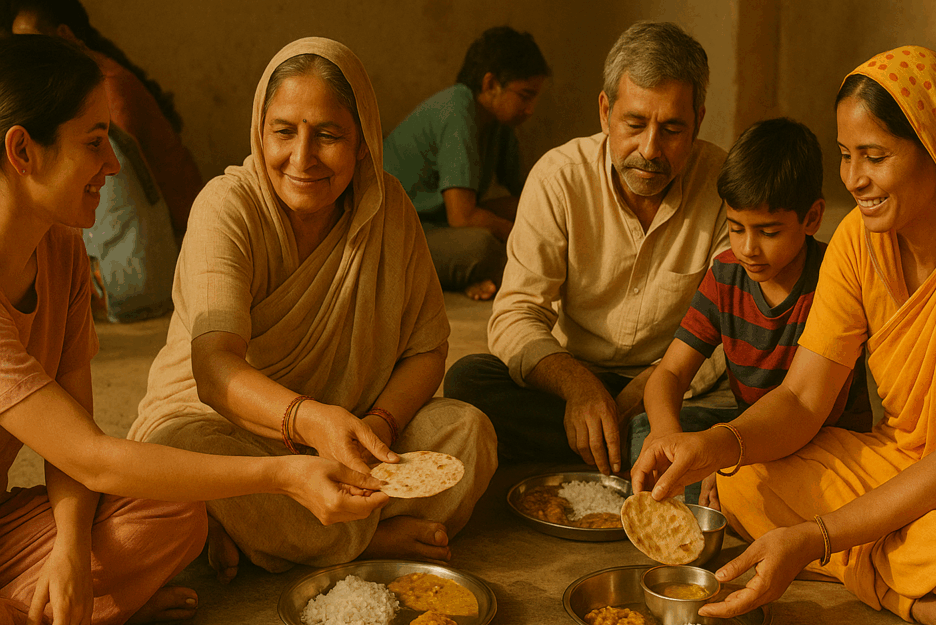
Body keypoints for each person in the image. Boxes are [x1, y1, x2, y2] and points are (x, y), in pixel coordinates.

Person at [0, 35, 386, 625]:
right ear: (21, 150)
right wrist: (288, 476)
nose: (114, 166)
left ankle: (54, 613)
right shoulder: (228, 206)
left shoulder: (65, 250)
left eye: (329, 135)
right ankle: (53, 623)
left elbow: (77, 449)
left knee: (175, 513)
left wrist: (70, 548)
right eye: (96, 142)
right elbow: (98, 454)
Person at [632, 46, 936, 625]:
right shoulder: (857, 239)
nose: (852, 180)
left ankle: (860, 569)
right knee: (737, 479)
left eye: (874, 157)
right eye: (845, 155)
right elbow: (802, 399)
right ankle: (914, 598)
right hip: (895, 462)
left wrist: (819, 536)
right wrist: (713, 443)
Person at [128, 37, 498, 585]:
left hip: (352, 427)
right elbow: (214, 370)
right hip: (229, 429)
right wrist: (311, 422)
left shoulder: (389, 210)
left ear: (364, 141)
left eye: (328, 135)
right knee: (175, 450)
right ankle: (366, 541)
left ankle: (274, 538)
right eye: (284, 132)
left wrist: (377, 425)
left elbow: (426, 351)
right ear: (260, 131)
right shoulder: (227, 207)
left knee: (469, 431)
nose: (301, 159)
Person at [445, 21, 728, 475]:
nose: (650, 150)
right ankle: (633, 452)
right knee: (468, 381)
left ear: (698, 121)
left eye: (673, 129)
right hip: (573, 374)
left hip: (676, 389)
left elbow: (730, 326)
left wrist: (649, 395)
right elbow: (517, 312)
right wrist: (578, 387)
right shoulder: (559, 179)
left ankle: (612, 445)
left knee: (738, 416)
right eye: (634, 124)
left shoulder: (725, 187)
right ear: (604, 112)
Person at [629, 118, 873, 507]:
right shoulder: (727, 275)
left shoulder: (835, 278)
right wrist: (665, 435)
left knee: (786, 491)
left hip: (823, 444)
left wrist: (726, 455)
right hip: (744, 437)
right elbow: (670, 374)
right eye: (736, 227)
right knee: (648, 436)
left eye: (768, 232)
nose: (748, 249)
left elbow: (811, 411)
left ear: (812, 218)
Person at [6, 0, 205, 322]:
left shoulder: (104, 88)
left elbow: (125, 190)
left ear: (65, 35)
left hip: (168, 238)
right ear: (21, 151)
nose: (112, 164)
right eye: (24, 48)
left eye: (38, 43)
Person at [384, 26, 549, 301]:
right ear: (490, 84)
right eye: (524, 95)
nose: (530, 109)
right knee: (482, 247)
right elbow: (462, 217)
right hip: (401, 233)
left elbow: (524, 193)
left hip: (442, 225)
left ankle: (468, 275)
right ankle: (470, 272)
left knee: (527, 206)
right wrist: (524, 239)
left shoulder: (499, 124)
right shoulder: (458, 110)